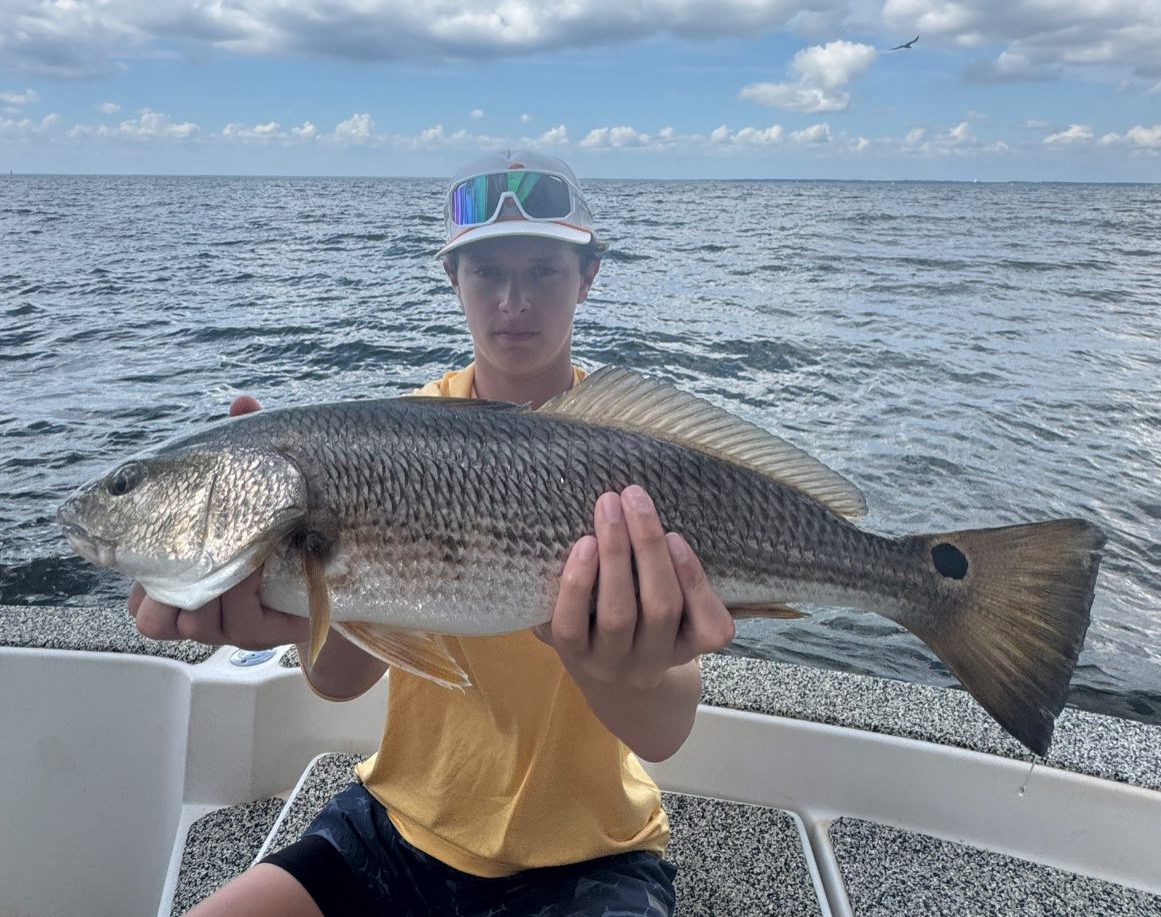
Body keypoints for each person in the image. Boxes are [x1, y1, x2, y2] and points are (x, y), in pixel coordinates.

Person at [130, 150, 737, 917]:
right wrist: (313, 594)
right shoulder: (386, 441)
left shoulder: (641, 457)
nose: (513, 299)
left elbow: (664, 731)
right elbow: (339, 681)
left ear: (587, 277)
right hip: (395, 826)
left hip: (594, 854)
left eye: (543, 270)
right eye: (486, 272)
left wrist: (593, 648)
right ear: (453, 280)